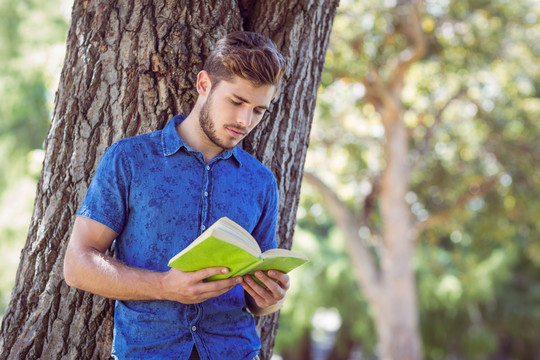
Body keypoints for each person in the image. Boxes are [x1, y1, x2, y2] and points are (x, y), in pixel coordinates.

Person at [63, 31, 288, 360]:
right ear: (204, 84)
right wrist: (164, 286)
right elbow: (78, 265)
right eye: (236, 101)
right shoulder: (130, 160)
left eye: (258, 110)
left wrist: (271, 299)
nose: (244, 120)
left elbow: (258, 298)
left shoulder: (261, 182)